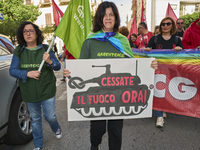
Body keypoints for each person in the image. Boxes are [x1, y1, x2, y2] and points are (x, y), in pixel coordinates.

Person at [63, 1, 158, 150]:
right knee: (98, 130)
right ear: (99, 18)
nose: (108, 18)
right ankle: (94, 145)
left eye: (111, 14)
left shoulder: (122, 41)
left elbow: (133, 67)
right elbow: (81, 67)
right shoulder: (90, 41)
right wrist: (70, 72)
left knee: (115, 132)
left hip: (118, 96)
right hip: (97, 97)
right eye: (104, 15)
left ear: (115, 18)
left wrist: (150, 67)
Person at [9, 21, 62, 150]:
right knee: (36, 119)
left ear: (37, 33)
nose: (28, 33)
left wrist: (49, 61)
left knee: (50, 116)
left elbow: (57, 67)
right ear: (22, 35)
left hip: (47, 89)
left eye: (31, 31)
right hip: (29, 91)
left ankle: (56, 128)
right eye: (25, 31)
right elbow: (12, 70)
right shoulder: (19, 51)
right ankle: (38, 144)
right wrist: (27, 73)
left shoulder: (45, 49)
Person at [146, 17, 183, 127]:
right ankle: (159, 116)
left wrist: (180, 50)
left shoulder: (177, 40)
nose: (165, 26)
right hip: (157, 70)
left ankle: (164, 109)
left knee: (167, 92)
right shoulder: (154, 39)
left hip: (171, 70)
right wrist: (147, 50)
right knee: (158, 91)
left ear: (172, 26)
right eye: (163, 24)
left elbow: (185, 57)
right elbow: (147, 53)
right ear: (161, 26)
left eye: (168, 24)